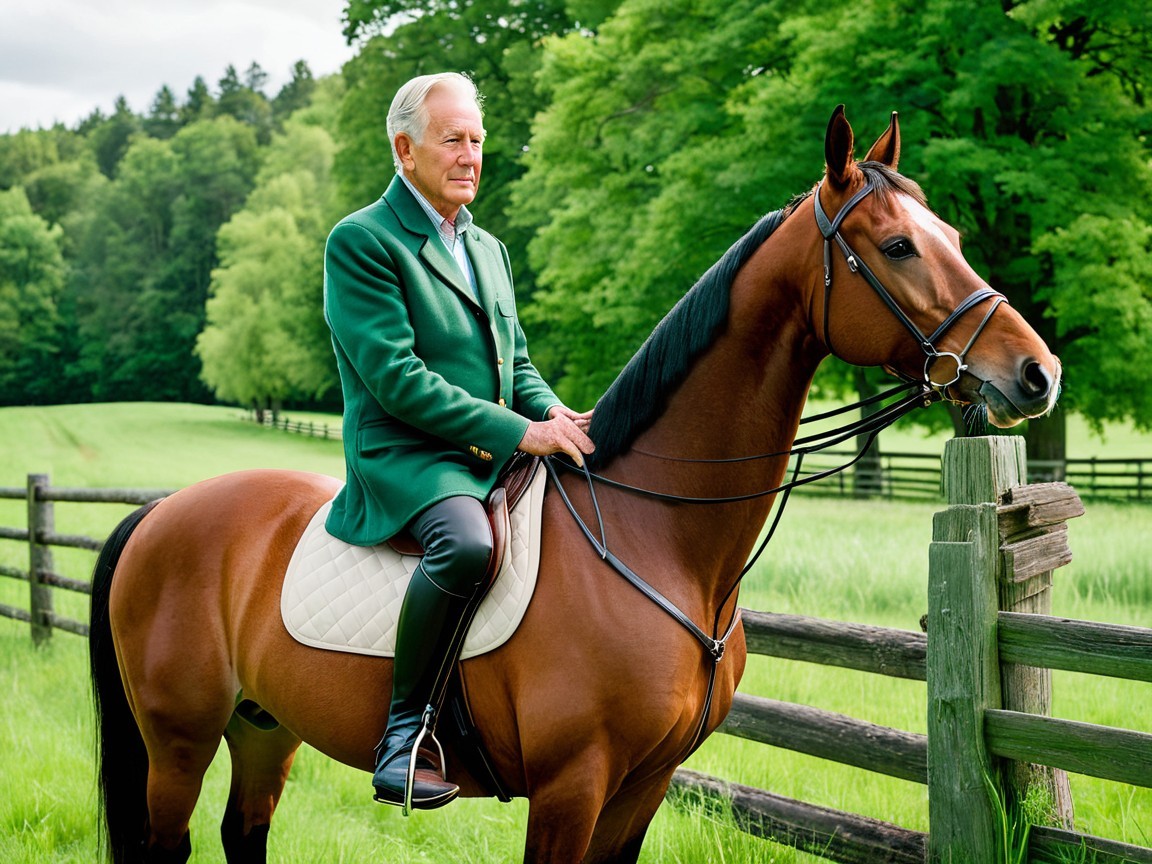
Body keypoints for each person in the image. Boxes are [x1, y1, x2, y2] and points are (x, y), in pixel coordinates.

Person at [323, 72, 594, 811]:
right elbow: (398, 381)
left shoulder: (489, 247)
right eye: (454, 140)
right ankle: (405, 737)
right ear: (405, 148)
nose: (471, 154)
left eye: (477, 140)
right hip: (407, 457)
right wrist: (520, 432)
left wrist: (558, 417)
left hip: (487, 449)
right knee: (468, 545)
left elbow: (519, 364)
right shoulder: (362, 241)